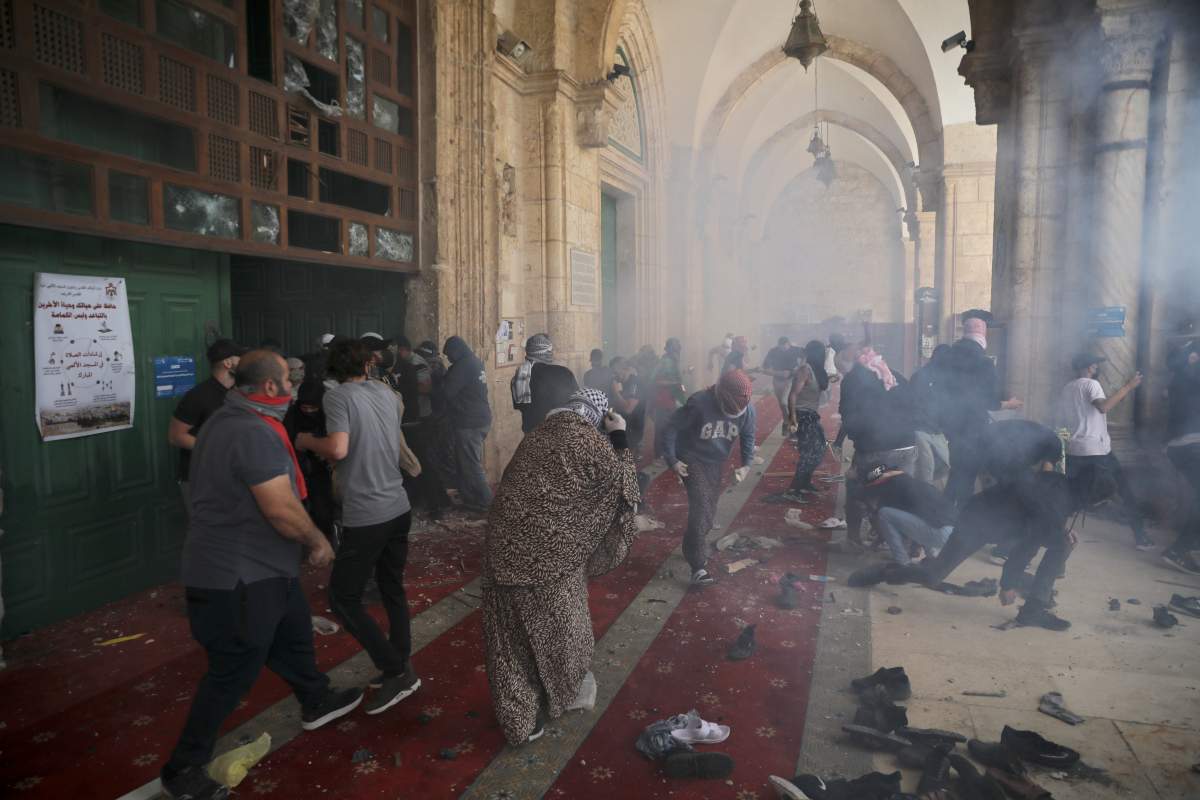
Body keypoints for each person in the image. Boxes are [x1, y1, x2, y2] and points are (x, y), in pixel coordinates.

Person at [162, 351, 361, 800]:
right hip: (237, 574)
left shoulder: (225, 417)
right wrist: (317, 541)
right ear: (271, 388)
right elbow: (279, 508)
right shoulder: (252, 432)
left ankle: (316, 697)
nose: (294, 386)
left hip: (266, 567)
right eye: (288, 379)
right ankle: (183, 768)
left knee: (291, 632)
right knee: (232, 669)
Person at [482, 386, 639, 745]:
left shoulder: (535, 435)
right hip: (549, 559)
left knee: (507, 642)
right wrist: (619, 437)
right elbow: (625, 490)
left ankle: (519, 723)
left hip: (501, 549)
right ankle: (563, 692)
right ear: (596, 417)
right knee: (564, 631)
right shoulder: (591, 441)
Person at [295, 340, 422, 714]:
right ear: (367, 365)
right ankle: (399, 661)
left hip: (368, 511)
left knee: (342, 597)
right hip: (398, 504)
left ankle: (397, 669)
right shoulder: (384, 392)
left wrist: (304, 440)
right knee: (391, 586)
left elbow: (337, 449)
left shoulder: (338, 398)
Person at [663, 369, 757, 586]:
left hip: (715, 462)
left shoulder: (748, 411)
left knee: (708, 510)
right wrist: (672, 460)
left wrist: (746, 466)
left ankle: (691, 546)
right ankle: (698, 566)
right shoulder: (699, 403)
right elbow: (671, 427)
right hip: (691, 457)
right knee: (702, 506)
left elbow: (748, 437)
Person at [1054, 353, 1150, 550]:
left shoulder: (1067, 388)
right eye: (1095, 365)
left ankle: (1054, 532)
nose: (1097, 368)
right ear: (1089, 366)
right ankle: (1141, 536)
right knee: (1125, 490)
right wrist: (1129, 386)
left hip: (1074, 448)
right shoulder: (1091, 385)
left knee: (1069, 494)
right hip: (1096, 450)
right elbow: (1104, 407)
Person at [836, 345, 917, 546]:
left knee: (860, 489)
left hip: (877, 451)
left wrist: (855, 438)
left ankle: (854, 540)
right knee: (899, 492)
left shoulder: (853, 380)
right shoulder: (895, 373)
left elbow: (849, 417)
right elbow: (915, 405)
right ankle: (900, 540)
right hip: (906, 448)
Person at [939, 313, 1023, 507]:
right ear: (983, 337)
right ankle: (959, 520)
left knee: (958, 472)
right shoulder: (983, 362)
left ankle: (944, 514)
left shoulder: (948, 357)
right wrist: (1009, 404)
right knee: (966, 475)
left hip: (949, 426)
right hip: (972, 428)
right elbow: (990, 401)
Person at [168, 339, 245, 511]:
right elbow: (176, 436)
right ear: (228, 363)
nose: (244, 363)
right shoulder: (198, 395)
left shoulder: (238, 393)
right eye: (240, 358)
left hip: (229, 476)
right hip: (200, 479)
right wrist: (216, 449)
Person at [859, 464, 956, 564]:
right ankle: (931, 556)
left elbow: (887, 528)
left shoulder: (890, 488)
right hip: (955, 535)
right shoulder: (908, 481)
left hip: (940, 534)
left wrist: (874, 545)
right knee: (922, 518)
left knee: (884, 514)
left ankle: (902, 561)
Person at [442, 336, 494, 511]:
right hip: (479, 418)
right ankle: (471, 499)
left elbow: (447, 392)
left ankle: (487, 501)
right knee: (464, 462)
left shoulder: (463, 366)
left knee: (471, 464)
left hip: (469, 421)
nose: (448, 358)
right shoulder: (474, 362)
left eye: (449, 354)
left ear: (457, 351)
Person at [1164, 341, 1200, 574]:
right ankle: (1179, 549)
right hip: (1190, 445)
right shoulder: (1189, 378)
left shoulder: (1178, 379)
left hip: (1182, 445)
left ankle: (1187, 546)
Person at [786, 344, 826, 497]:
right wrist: (792, 418)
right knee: (810, 452)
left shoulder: (816, 370)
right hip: (803, 415)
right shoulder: (805, 370)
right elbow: (793, 394)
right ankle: (795, 489)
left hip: (811, 414)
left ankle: (804, 483)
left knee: (817, 449)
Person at [910, 344, 952, 486]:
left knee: (945, 465)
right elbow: (914, 403)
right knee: (926, 468)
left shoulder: (944, 378)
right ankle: (923, 496)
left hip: (937, 429)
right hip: (920, 428)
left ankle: (923, 489)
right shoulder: (920, 376)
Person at [510, 333, 555, 434]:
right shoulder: (556, 374)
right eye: (549, 350)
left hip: (529, 430)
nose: (552, 353)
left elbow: (519, 406)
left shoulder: (517, 378)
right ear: (543, 352)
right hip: (551, 432)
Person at [653, 338, 687, 460]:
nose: (679, 349)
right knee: (661, 427)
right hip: (664, 399)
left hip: (673, 399)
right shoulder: (665, 361)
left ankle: (669, 453)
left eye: (679, 346)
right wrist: (674, 383)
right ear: (670, 348)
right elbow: (655, 380)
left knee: (673, 426)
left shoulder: (674, 361)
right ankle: (659, 455)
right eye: (676, 347)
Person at [764, 337, 800, 417]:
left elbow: (806, 356)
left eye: (785, 347)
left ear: (789, 344)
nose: (783, 349)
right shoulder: (773, 351)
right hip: (777, 380)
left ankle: (792, 418)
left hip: (791, 379)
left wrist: (798, 368)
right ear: (778, 345)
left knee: (786, 401)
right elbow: (765, 368)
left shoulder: (796, 349)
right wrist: (778, 373)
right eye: (781, 347)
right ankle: (786, 419)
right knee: (782, 403)